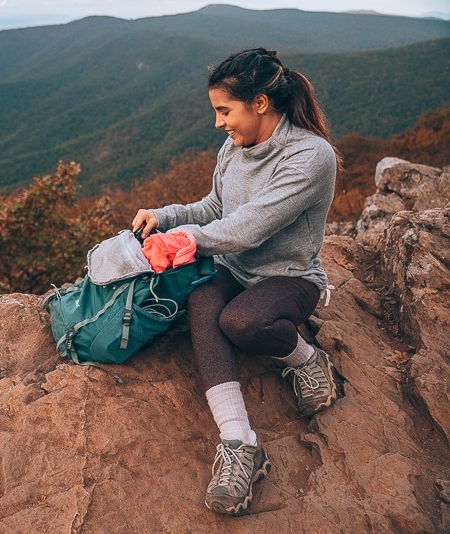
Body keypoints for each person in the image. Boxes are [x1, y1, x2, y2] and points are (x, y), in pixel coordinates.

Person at [132, 47, 340, 516]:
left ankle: (306, 359)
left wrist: (183, 241)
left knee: (242, 322)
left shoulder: (310, 156)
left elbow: (247, 228)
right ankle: (240, 442)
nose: (219, 123)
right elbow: (214, 209)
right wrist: (162, 217)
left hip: (289, 277)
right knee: (201, 299)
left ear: (260, 103)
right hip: (236, 270)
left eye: (225, 111)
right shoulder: (235, 147)